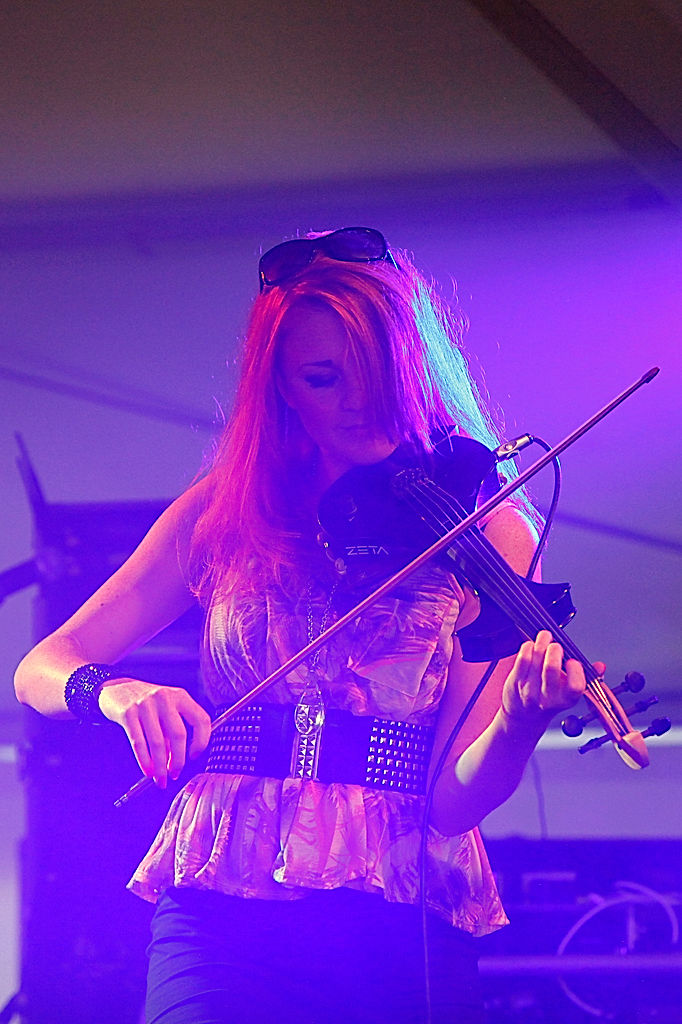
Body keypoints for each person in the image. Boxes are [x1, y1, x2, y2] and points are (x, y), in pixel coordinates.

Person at [14, 227, 594, 1024]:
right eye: (322, 379)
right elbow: (43, 665)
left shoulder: (483, 526)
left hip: (400, 897)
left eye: (376, 374)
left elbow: (455, 803)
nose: (357, 403)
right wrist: (116, 694)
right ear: (280, 385)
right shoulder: (227, 508)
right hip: (222, 886)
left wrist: (521, 723)